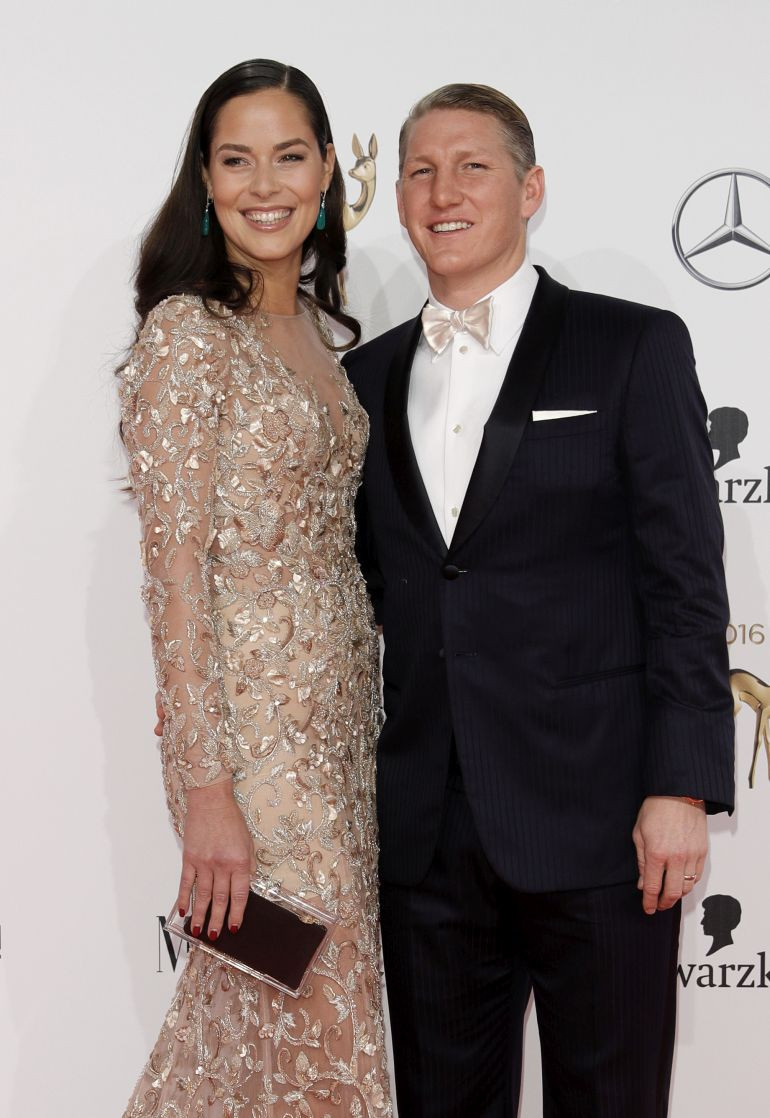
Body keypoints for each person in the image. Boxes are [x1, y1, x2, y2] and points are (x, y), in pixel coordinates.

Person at [343, 84, 735, 1118]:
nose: (443, 192)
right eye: (420, 171)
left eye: (472, 166)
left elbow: (685, 583)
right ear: (399, 199)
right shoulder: (363, 379)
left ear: (531, 190)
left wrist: (681, 784)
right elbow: (369, 590)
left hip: (602, 821)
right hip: (427, 834)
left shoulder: (630, 345)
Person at [118, 59, 391, 1117]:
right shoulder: (189, 336)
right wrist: (206, 792)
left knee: (272, 1043)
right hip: (251, 766)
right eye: (237, 160)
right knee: (305, 1024)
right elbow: (173, 577)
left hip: (341, 742)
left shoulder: (318, 334)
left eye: (289, 157)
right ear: (205, 180)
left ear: (325, 173)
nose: (264, 185)